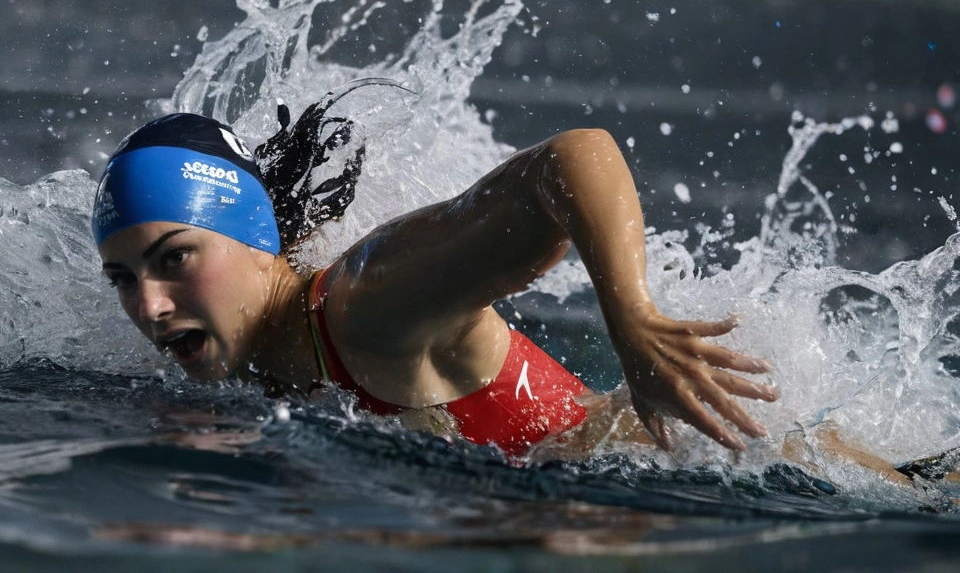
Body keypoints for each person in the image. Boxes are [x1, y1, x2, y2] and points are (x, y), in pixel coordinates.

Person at [92, 94, 782, 461]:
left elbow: (572, 158)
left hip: (710, 458)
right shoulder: (248, 359)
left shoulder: (363, 304)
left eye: (175, 259)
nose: (148, 306)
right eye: (122, 278)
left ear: (256, 239)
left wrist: (636, 326)